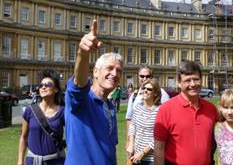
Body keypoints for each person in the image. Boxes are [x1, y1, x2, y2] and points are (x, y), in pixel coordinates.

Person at [64, 19, 123, 165]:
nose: (115, 74)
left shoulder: (110, 106)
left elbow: (110, 147)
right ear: (95, 72)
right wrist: (83, 53)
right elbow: (79, 83)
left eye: (119, 71)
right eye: (109, 68)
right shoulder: (81, 100)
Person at [154, 60, 218, 165]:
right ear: (179, 83)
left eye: (196, 79)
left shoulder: (211, 109)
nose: (193, 84)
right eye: (187, 80)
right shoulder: (166, 109)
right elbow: (159, 149)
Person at [18, 69, 65, 165]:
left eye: (48, 85)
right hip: (33, 161)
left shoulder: (63, 112)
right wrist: (20, 161)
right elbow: (23, 137)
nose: (43, 87)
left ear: (56, 89)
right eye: (41, 85)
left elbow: (72, 135)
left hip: (56, 161)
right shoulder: (30, 110)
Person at [125, 65, 170, 145]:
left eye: (148, 76)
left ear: (152, 77)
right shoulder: (134, 96)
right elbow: (129, 119)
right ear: (138, 77)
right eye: (142, 76)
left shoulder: (162, 94)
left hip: (156, 145)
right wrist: (129, 142)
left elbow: (168, 120)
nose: (144, 79)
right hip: (137, 145)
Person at [126, 78, 162, 165]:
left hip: (151, 159)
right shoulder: (138, 107)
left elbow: (158, 137)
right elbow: (133, 126)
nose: (145, 90)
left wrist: (143, 152)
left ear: (156, 93)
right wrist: (131, 144)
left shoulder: (160, 111)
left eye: (149, 89)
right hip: (135, 156)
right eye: (143, 88)